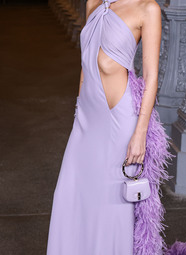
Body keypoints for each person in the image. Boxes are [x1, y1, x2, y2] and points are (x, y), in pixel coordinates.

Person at [46, 0, 172, 254]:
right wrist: (79, 110)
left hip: (119, 119)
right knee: (70, 195)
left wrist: (140, 133)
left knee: (111, 203)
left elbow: (151, 76)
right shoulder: (96, 1)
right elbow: (86, 61)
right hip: (86, 117)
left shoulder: (148, 9)